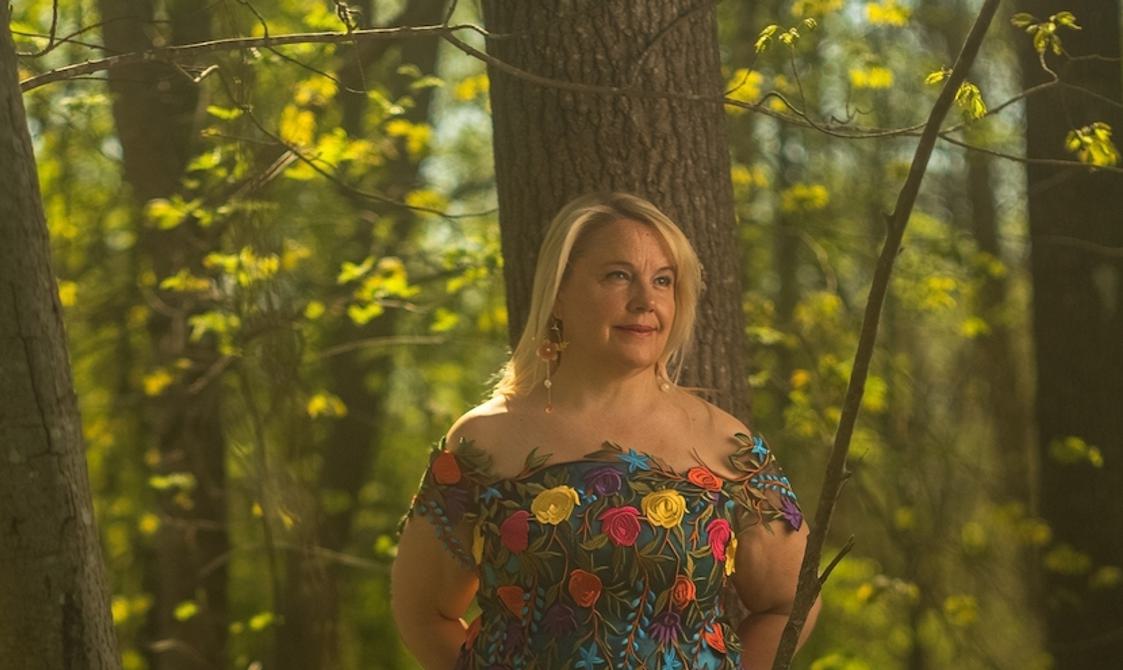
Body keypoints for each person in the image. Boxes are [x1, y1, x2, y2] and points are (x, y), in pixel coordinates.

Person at [391, 192, 820, 669]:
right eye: (618, 276)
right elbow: (423, 614)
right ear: (558, 292)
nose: (645, 301)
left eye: (663, 281)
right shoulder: (483, 441)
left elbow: (791, 603)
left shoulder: (726, 446)